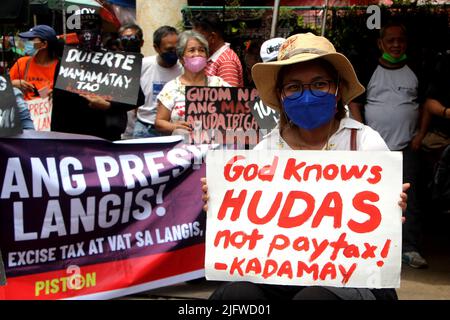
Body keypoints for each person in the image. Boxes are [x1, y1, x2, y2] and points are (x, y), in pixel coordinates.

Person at [202, 32, 409, 300]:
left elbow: (382, 226)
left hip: (355, 276)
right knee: (233, 297)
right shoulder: (265, 150)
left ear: (336, 90)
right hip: (279, 274)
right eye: (294, 87)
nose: (307, 95)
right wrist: (223, 204)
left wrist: (391, 209)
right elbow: (248, 223)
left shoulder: (365, 142)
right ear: (281, 95)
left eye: (319, 84)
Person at [348, 22, 427, 269]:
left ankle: (410, 249)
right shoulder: (368, 69)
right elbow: (355, 104)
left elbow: (426, 105)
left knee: (409, 198)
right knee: (369, 198)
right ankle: (372, 246)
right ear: (380, 44)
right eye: (390, 40)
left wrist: (420, 135)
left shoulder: (416, 69)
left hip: (407, 147)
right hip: (375, 150)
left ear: (406, 43)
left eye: (400, 40)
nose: (395, 45)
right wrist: (363, 134)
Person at [51, 11, 144, 141]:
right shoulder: (66, 62)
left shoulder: (117, 61)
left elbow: (138, 98)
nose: (87, 32)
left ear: (101, 29)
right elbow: (58, 107)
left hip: (105, 137)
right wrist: (56, 140)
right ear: (77, 32)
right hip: (73, 138)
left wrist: (109, 106)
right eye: (82, 27)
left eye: (91, 26)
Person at [155, 30, 229, 136]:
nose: (197, 54)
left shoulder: (219, 84)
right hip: (183, 149)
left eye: (201, 50)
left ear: (207, 56)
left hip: (215, 147)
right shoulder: (171, 88)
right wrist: (174, 126)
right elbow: (159, 122)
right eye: (191, 50)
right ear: (181, 58)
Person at [125, 25, 183, 139]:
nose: (174, 52)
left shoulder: (183, 68)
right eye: (169, 49)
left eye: (177, 49)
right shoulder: (143, 65)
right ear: (156, 48)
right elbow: (132, 92)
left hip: (173, 129)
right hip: (144, 128)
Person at [9, 25, 59, 101]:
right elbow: (3, 87)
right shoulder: (22, 62)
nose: (26, 42)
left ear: (44, 44)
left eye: (31, 39)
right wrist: (13, 84)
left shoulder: (61, 68)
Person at [192, 14, 244, 87]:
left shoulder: (226, 62)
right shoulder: (212, 58)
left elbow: (229, 96)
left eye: (198, 38)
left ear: (212, 37)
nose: (194, 42)